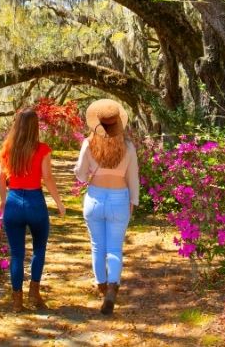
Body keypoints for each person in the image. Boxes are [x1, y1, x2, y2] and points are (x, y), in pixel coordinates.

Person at [73, 98, 140, 315]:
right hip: (120, 197)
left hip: (94, 198)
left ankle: (102, 287)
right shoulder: (128, 146)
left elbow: (81, 175)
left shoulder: (88, 143)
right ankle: (113, 288)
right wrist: (133, 201)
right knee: (114, 247)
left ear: (98, 123)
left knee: (97, 246)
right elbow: (133, 178)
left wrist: (84, 171)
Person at [0, 109, 66, 312]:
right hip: (35, 201)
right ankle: (34, 295)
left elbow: (1, 177)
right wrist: (59, 203)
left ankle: (17, 302)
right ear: (35, 127)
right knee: (39, 250)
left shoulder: (8, 149)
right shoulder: (42, 149)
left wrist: (3, 202)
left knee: (17, 254)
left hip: (14, 201)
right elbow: (48, 178)